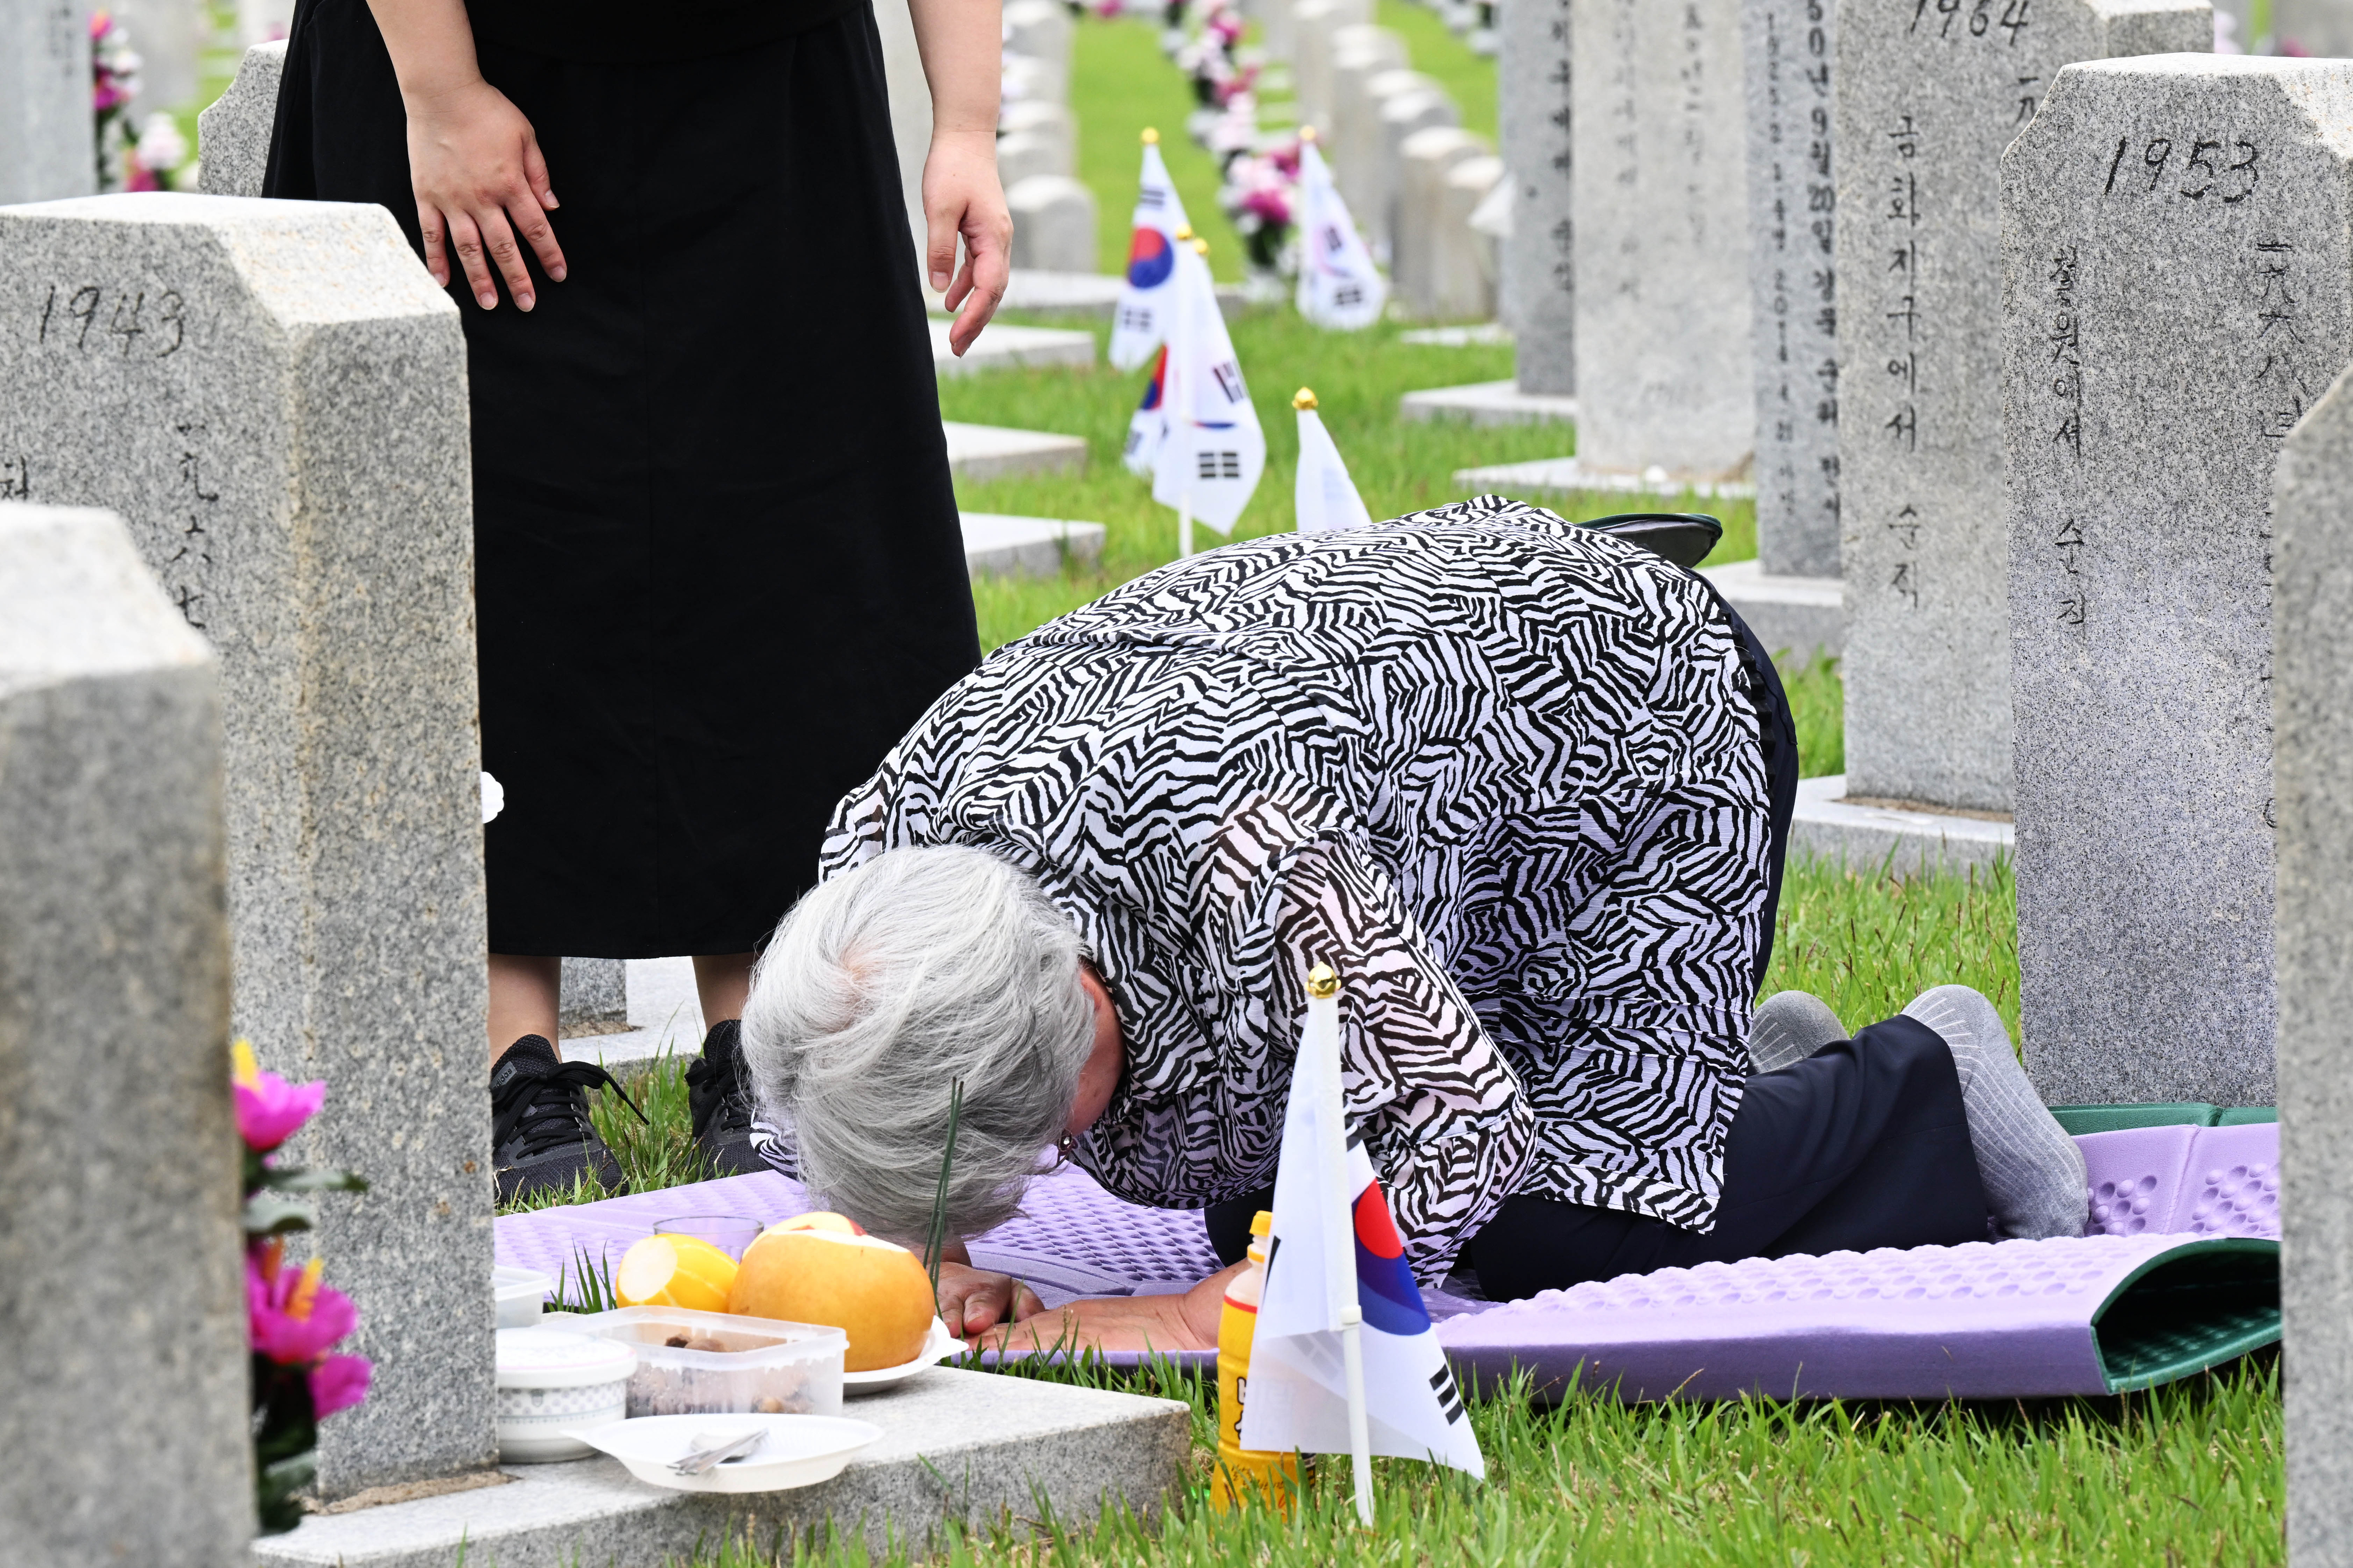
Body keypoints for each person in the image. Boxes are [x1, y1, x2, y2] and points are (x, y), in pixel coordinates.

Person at [738, 497, 2091, 1347]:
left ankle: (1924, 1079)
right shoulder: (883, 852)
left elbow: (1463, 1128)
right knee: (1269, 1201)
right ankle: (1739, 1075)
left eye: (1046, 1139)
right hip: (1419, 763)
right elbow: (845, 1083)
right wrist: (931, 1256)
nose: (1058, 1165)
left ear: (1083, 1004)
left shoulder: (1255, 848)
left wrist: (1202, 1318)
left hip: (1625, 722)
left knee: (1539, 1229)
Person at [261, 0, 1004, 1197]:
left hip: (772, 86)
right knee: (469, 537)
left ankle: (771, 1044)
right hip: (453, 65)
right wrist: (442, 95)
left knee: (793, 548)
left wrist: (966, 122)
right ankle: (506, 1064)